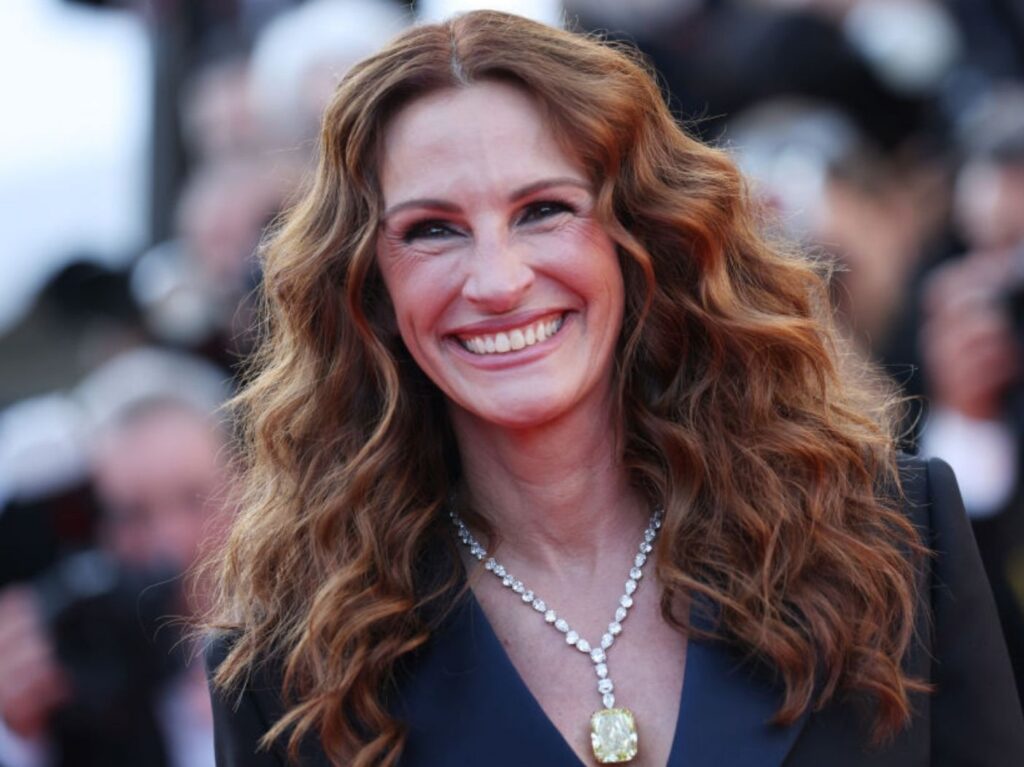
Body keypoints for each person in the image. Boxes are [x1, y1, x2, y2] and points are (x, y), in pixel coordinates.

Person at [203, 10, 1024, 767]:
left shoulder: (892, 538)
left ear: (642, 235)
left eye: (543, 210)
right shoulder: (292, 670)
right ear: (368, 286)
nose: (496, 279)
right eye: (432, 229)